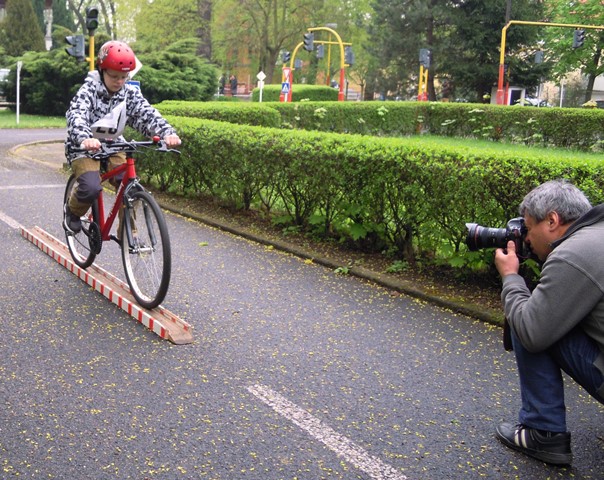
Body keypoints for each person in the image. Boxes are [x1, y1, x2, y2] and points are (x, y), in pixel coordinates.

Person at [494, 179, 604, 465]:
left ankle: (543, 432)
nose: (527, 239)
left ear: (552, 220)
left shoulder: (573, 252)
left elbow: (533, 331)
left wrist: (510, 278)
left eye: (528, 228)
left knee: (526, 316)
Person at [64, 40, 181, 233]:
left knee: (130, 186)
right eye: (114, 76)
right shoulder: (88, 90)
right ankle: (73, 211)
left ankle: (127, 233)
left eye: (124, 77)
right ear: (102, 71)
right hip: (84, 147)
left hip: (114, 145)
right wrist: (85, 138)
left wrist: (166, 133)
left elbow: (146, 114)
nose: (119, 81)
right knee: (91, 187)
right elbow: (77, 115)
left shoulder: (129, 93)